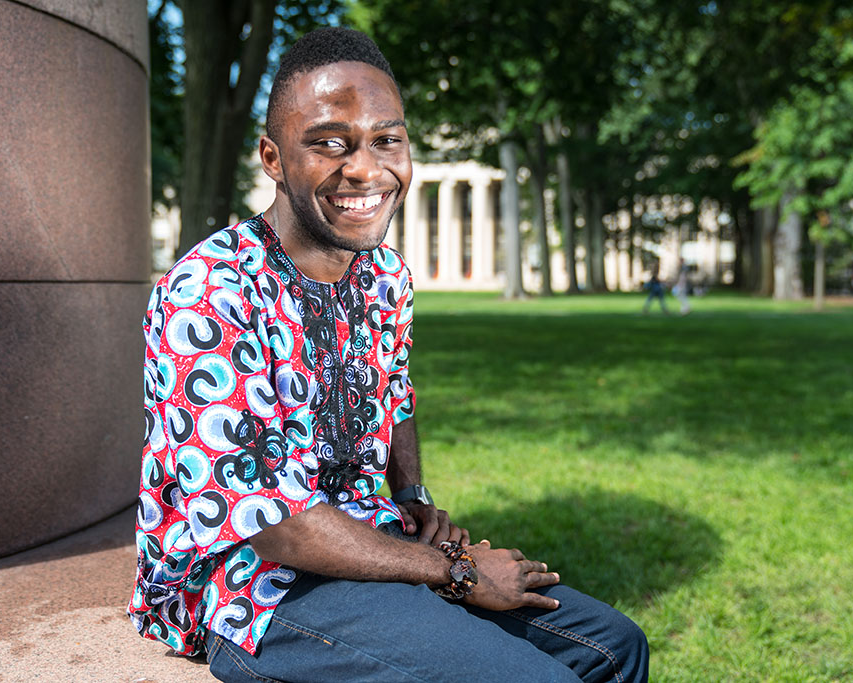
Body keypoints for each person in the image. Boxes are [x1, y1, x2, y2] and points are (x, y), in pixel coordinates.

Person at [129, 27, 648, 683]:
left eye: (386, 139)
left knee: (615, 648)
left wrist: (414, 492)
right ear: (272, 156)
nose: (366, 169)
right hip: (250, 590)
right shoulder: (208, 294)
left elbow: (394, 391)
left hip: (368, 538)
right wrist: (457, 570)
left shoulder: (384, 275)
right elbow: (270, 523)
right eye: (329, 143)